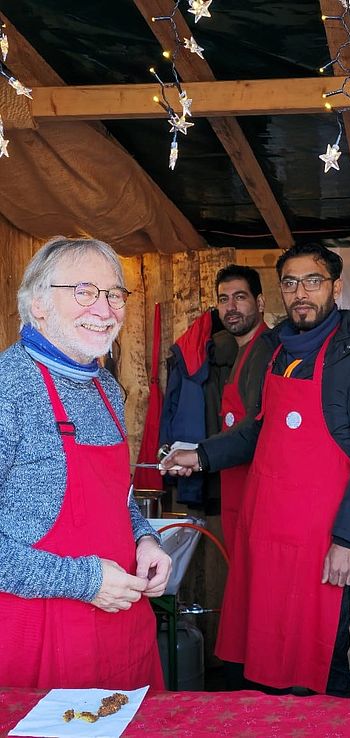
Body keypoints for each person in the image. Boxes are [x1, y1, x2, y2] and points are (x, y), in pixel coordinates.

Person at [163, 243, 350, 697]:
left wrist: (348, 541)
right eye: (290, 283)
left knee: (318, 655)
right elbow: (258, 431)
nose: (300, 293)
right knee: (263, 656)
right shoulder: (276, 348)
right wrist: (201, 455)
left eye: (313, 281)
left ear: (336, 286)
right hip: (266, 535)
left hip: (321, 540)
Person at [0, 236, 172, 690]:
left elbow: (120, 498)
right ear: (38, 305)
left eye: (114, 293)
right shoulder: (8, 388)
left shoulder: (106, 389)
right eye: (84, 291)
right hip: (39, 635)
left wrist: (145, 539)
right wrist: (82, 579)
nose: (104, 308)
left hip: (122, 626)